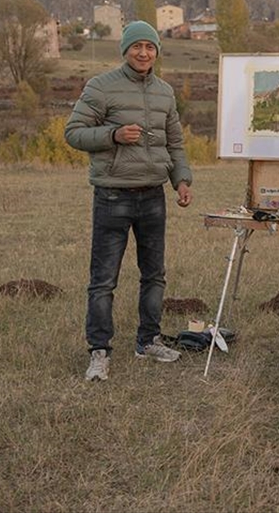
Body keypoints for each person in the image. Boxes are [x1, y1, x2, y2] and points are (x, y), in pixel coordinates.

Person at [65, 20, 193, 382]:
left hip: (153, 195)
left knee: (154, 275)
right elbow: (73, 133)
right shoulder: (101, 87)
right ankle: (99, 352)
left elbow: (175, 144)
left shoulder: (165, 93)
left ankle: (148, 341)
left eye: (150, 47)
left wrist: (181, 179)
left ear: (156, 52)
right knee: (104, 280)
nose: (143, 53)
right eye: (136, 46)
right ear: (125, 50)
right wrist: (114, 135)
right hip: (112, 196)